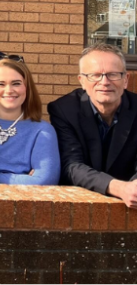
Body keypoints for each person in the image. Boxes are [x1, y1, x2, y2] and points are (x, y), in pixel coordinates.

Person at [49, 43, 137, 206]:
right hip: (79, 204)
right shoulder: (64, 110)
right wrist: (118, 188)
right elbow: (72, 165)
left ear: (126, 80)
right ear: (82, 81)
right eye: (95, 75)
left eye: (113, 74)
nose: (104, 82)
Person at [0, 56, 60, 185]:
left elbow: (44, 182)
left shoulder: (42, 131)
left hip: (24, 202)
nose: (9, 90)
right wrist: (22, 178)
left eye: (16, 83)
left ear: (26, 86)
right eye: (1, 84)